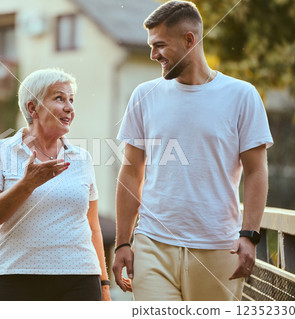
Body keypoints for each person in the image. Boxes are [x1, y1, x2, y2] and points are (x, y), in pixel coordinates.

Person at [113, 0, 273, 301]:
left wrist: (250, 235)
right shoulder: (143, 95)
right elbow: (131, 170)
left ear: (189, 39)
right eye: (151, 46)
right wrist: (123, 242)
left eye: (160, 45)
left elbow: (256, 170)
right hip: (152, 244)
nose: (152, 55)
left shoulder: (242, 96)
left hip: (218, 247)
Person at [0, 68, 111, 301]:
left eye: (71, 100)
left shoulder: (82, 158)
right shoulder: (0, 151)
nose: (69, 107)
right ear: (32, 108)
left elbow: (93, 226)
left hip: (80, 278)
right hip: (15, 278)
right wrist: (27, 185)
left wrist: (105, 286)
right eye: (59, 98)